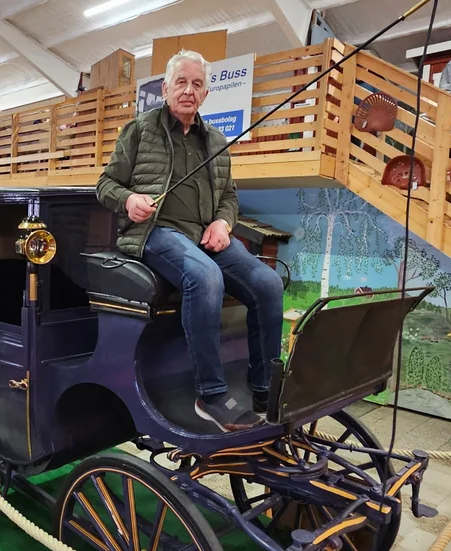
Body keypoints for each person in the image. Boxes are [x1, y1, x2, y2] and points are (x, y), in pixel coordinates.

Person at [96, 49, 283, 432]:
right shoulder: (140, 130)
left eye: (197, 83)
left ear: (206, 94)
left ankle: (264, 389)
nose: (188, 89)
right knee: (205, 276)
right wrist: (129, 200)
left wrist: (223, 223)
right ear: (165, 88)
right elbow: (105, 185)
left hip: (206, 236)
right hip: (156, 233)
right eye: (181, 82)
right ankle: (211, 395)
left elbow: (229, 195)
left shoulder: (216, 140)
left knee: (268, 283)